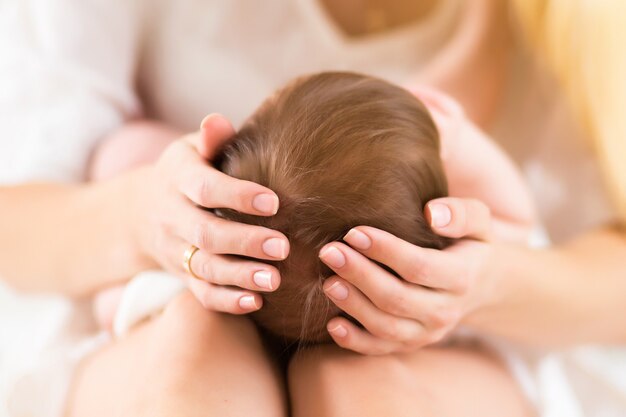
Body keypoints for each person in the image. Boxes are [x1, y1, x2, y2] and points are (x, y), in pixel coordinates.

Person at [0, 0, 624, 416]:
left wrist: (491, 285)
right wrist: (141, 216)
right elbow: (18, 222)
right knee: (194, 344)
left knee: (351, 383)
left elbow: (116, 294)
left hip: (494, 328)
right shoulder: (464, 190)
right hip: (262, 314)